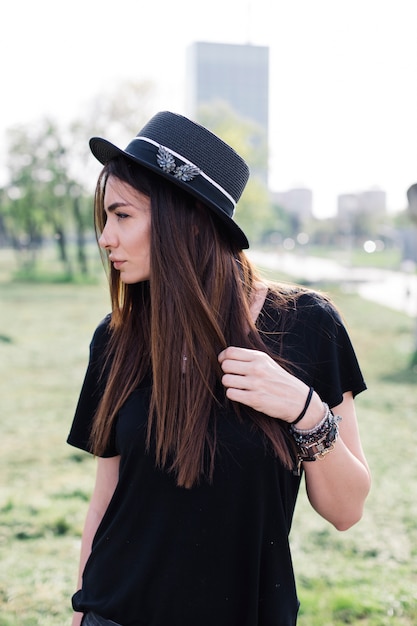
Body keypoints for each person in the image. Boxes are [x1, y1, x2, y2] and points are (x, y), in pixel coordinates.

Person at [67, 111, 371, 626]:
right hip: (116, 614)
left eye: (121, 216)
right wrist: (80, 613)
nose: (105, 238)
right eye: (105, 218)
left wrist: (305, 409)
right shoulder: (115, 338)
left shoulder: (306, 325)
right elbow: (106, 500)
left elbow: (346, 512)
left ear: (182, 216)